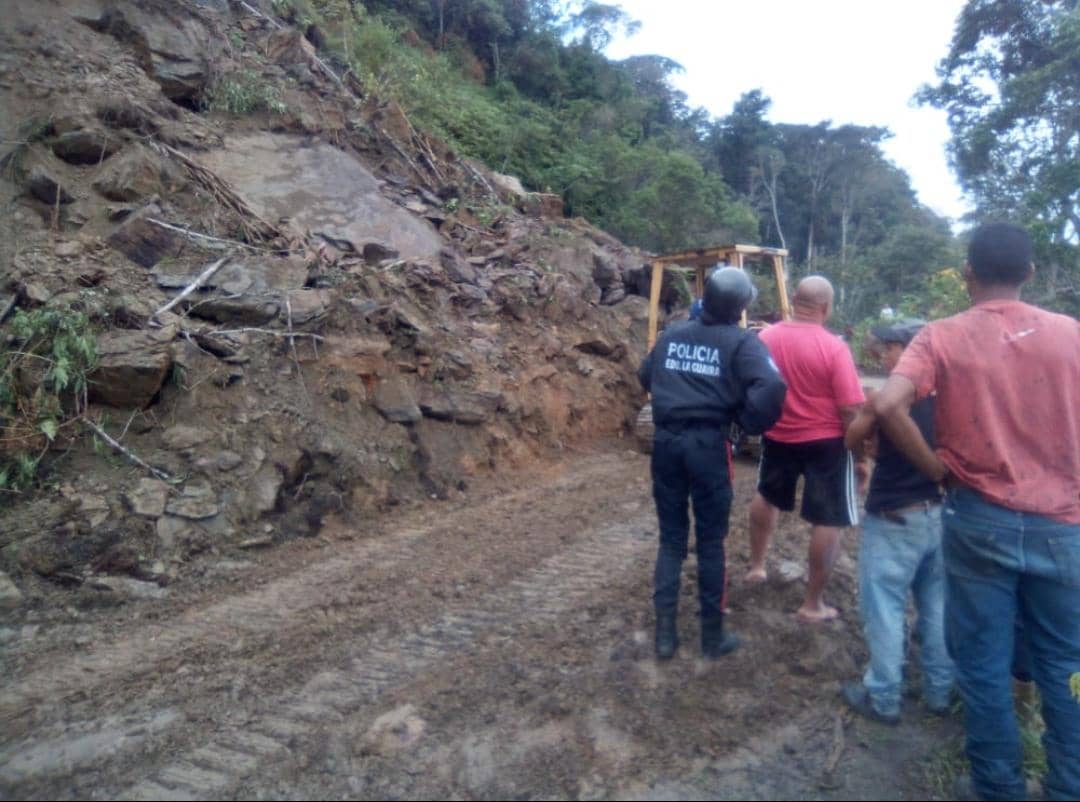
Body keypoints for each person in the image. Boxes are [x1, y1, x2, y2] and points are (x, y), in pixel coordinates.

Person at [873, 223, 1079, 801]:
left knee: (983, 660)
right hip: (1064, 526)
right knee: (1067, 663)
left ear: (967, 275)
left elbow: (888, 404)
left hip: (977, 518)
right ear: (1030, 274)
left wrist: (937, 469)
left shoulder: (940, 336)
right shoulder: (1072, 334)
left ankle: (997, 786)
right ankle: (1069, 785)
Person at [639, 267, 786, 660]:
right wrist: (748, 421)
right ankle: (711, 636)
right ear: (740, 308)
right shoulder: (741, 343)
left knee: (671, 539)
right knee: (710, 541)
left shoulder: (672, 335)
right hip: (708, 446)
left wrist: (677, 393)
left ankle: (665, 637)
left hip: (667, 443)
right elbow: (772, 386)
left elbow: (645, 375)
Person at [839, 318, 954, 725]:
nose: (884, 357)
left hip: (894, 518)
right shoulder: (951, 396)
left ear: (908, 350)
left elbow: (852, 441)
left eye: (888, 349)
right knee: (937, 606)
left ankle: (884, 697)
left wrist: (869, 413)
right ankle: (940, 692)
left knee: (885, 607)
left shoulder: (888, 398)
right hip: (940, 514)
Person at [745, 275, 865, 623]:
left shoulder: (765, 338)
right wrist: (859, 454)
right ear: (826, 308)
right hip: (826, 443)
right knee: (828, 518)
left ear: (793, 300)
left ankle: (756, 567)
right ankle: (812, 604)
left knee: (767, 494)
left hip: (777, 435)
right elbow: (850, 409)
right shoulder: (833, 347)